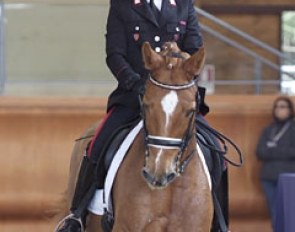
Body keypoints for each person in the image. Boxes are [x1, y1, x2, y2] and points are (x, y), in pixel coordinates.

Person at [56, 0, 218, 231]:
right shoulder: (123, 5)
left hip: (176, 97)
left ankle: (221, 222)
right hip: (135, 95)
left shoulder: (183, 4)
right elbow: (115, 54)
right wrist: (135, 82)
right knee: (98, 144)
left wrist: (181, 65)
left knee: (216, 149)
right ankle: (77, 215)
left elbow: (194, 46)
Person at [256, 96, 295, 228]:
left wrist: (273, 150)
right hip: (268, 178)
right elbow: (260, 152)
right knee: (275, 212)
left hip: (289, 177)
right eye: (277, 107)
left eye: (283, 106)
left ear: (290, 110)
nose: (279, 110)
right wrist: (281, 151)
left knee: (290, 212)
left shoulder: (293, 128)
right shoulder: (268, 129)